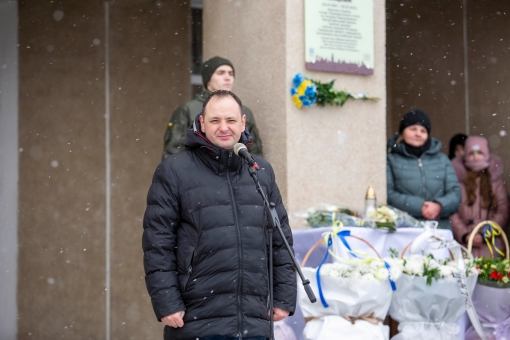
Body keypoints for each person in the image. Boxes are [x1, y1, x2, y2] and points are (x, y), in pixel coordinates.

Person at [143, 90, 296, 340]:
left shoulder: (261, 171)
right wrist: (167, 302)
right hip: (197, 321)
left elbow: (281, 240)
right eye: (215, 121)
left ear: (243, 123)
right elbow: (157, 244)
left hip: (254, 321)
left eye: (231, 120)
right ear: (202, 123)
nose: (223, 127)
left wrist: (283, 297)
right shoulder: (174, 171)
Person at [162, 56, 263, 160]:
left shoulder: (244, 111)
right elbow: (173, 153)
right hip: (196, 173)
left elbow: (254, 154)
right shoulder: (187, 109)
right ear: (208, 78)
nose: (228, 77)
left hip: (236, 174)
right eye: (221, 73)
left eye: (231, 73)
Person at [387, 109, 461, 229]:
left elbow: (455, 193)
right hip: (404, 229)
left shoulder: (442, 160)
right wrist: (420, 207)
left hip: (439, 230)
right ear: (402, 132)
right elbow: (388, 194)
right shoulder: (390, 160)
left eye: (423, 130)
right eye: (413, 129)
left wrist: (439, 206)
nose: (418, 134)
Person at [450, 136, 508, 257]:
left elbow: (503, 209)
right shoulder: (455, 180)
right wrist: (465, 235)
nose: (475, 157)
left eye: (479, 153)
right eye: (471, 153)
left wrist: (486, 233)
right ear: (465, 156)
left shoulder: (496, 180)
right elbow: (452, 210)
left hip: (492, 246)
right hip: (463, 247)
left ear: (486, 154)